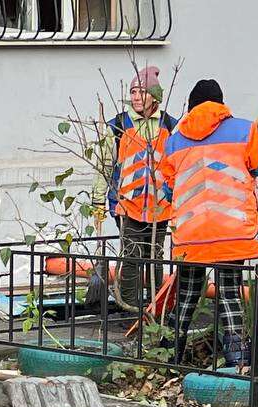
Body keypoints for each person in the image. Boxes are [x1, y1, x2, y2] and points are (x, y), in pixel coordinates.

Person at [159, 79, 258, 365]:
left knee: (187, 294)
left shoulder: (174, 141)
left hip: (191, 234)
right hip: (232, 231)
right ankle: (238, 361)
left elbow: (168, 188)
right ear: (221, 103)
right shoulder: (245, 131)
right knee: (229, 294)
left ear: (191, 106)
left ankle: (168, 355)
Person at [94, 66, 177, 316]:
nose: (136, 97)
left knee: (156, 258)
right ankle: (129, 310)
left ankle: (155, 310)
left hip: (160, 205)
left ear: (155, 96)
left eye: (142, 91)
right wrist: (98, 201)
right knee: (131, 257)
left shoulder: (169, 125)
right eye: (133, 92)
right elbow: (103, 165)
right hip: (127, 204)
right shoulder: (118, 125)